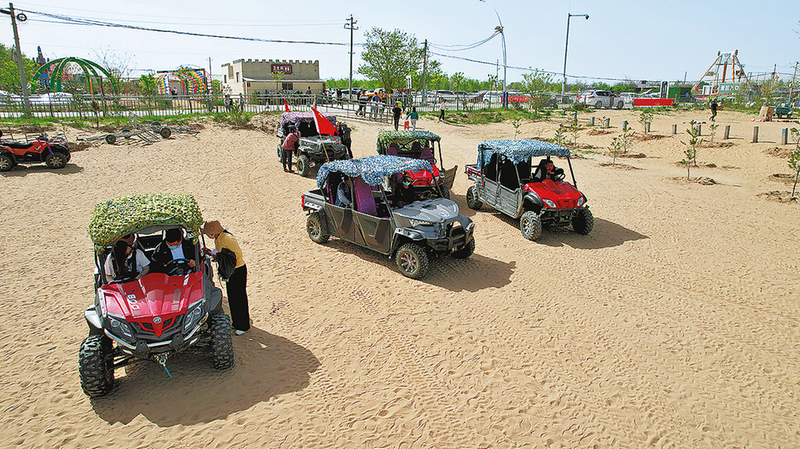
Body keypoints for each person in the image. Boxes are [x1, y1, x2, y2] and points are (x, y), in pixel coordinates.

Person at [202, 220, 250, 335]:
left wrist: (218, 255)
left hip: (237, 270)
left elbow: (237, 255)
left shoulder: (227, 238)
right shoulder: (219, 238)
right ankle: (236, 322)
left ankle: (243, 325)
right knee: (232, 297)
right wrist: (213, 253)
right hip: (230, 271)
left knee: (239, 298)